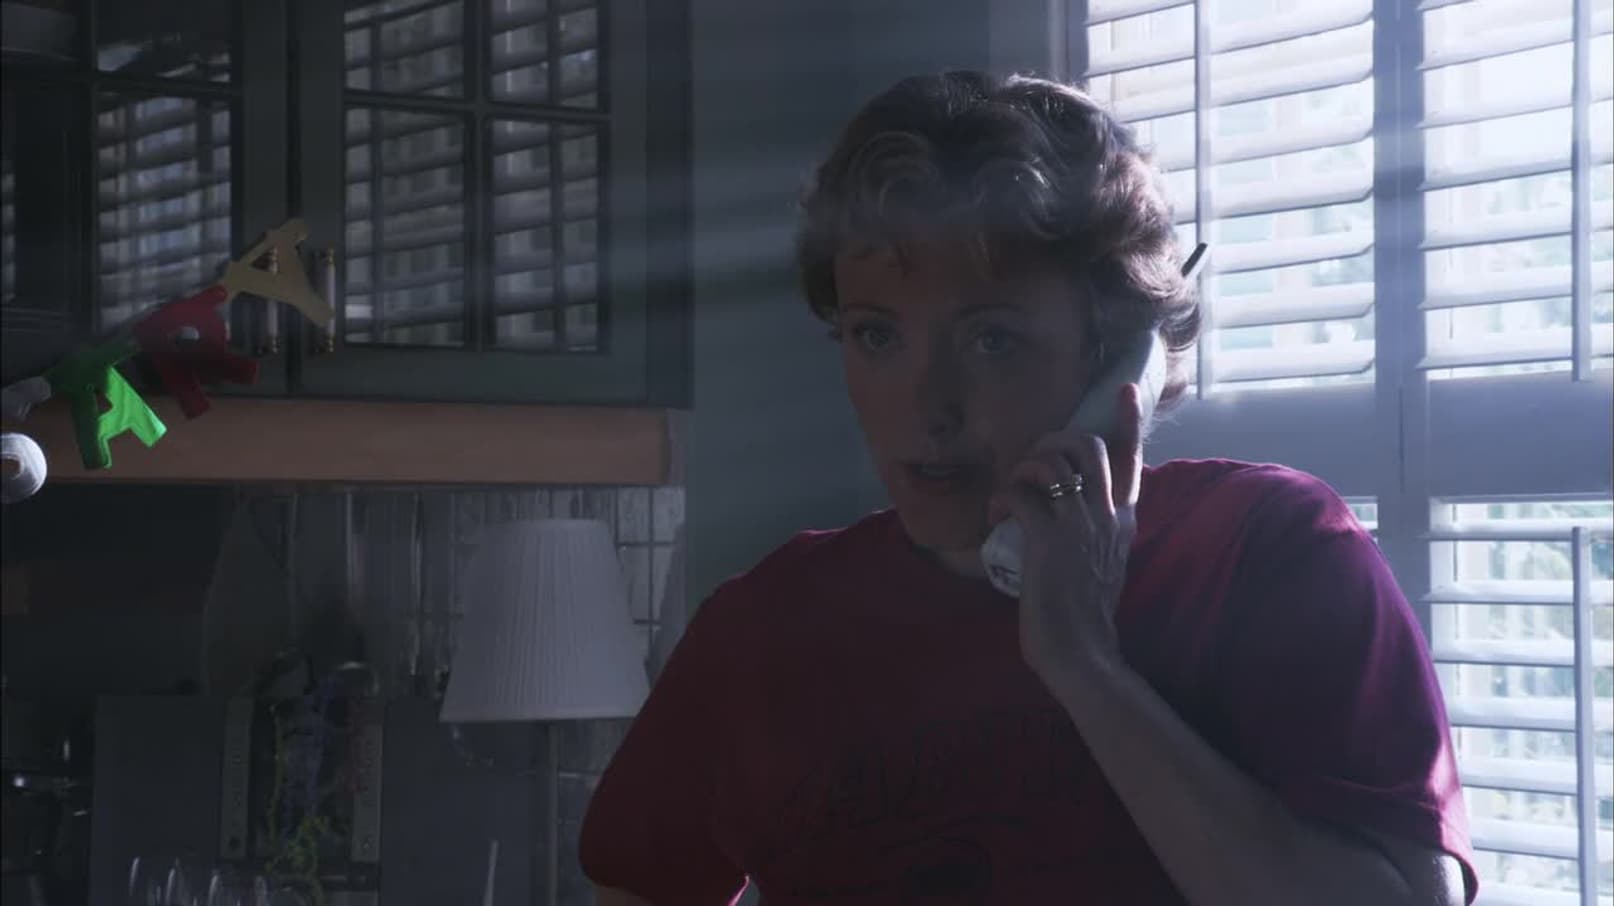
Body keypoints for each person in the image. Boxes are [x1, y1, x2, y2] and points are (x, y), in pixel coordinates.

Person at [579, 71, 1477, 906]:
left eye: (991, 340)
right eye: (877, 336)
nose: (927, 408)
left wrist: (1087, 667)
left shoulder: (1268, 553)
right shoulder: (764, 627)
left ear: (1115, 359)